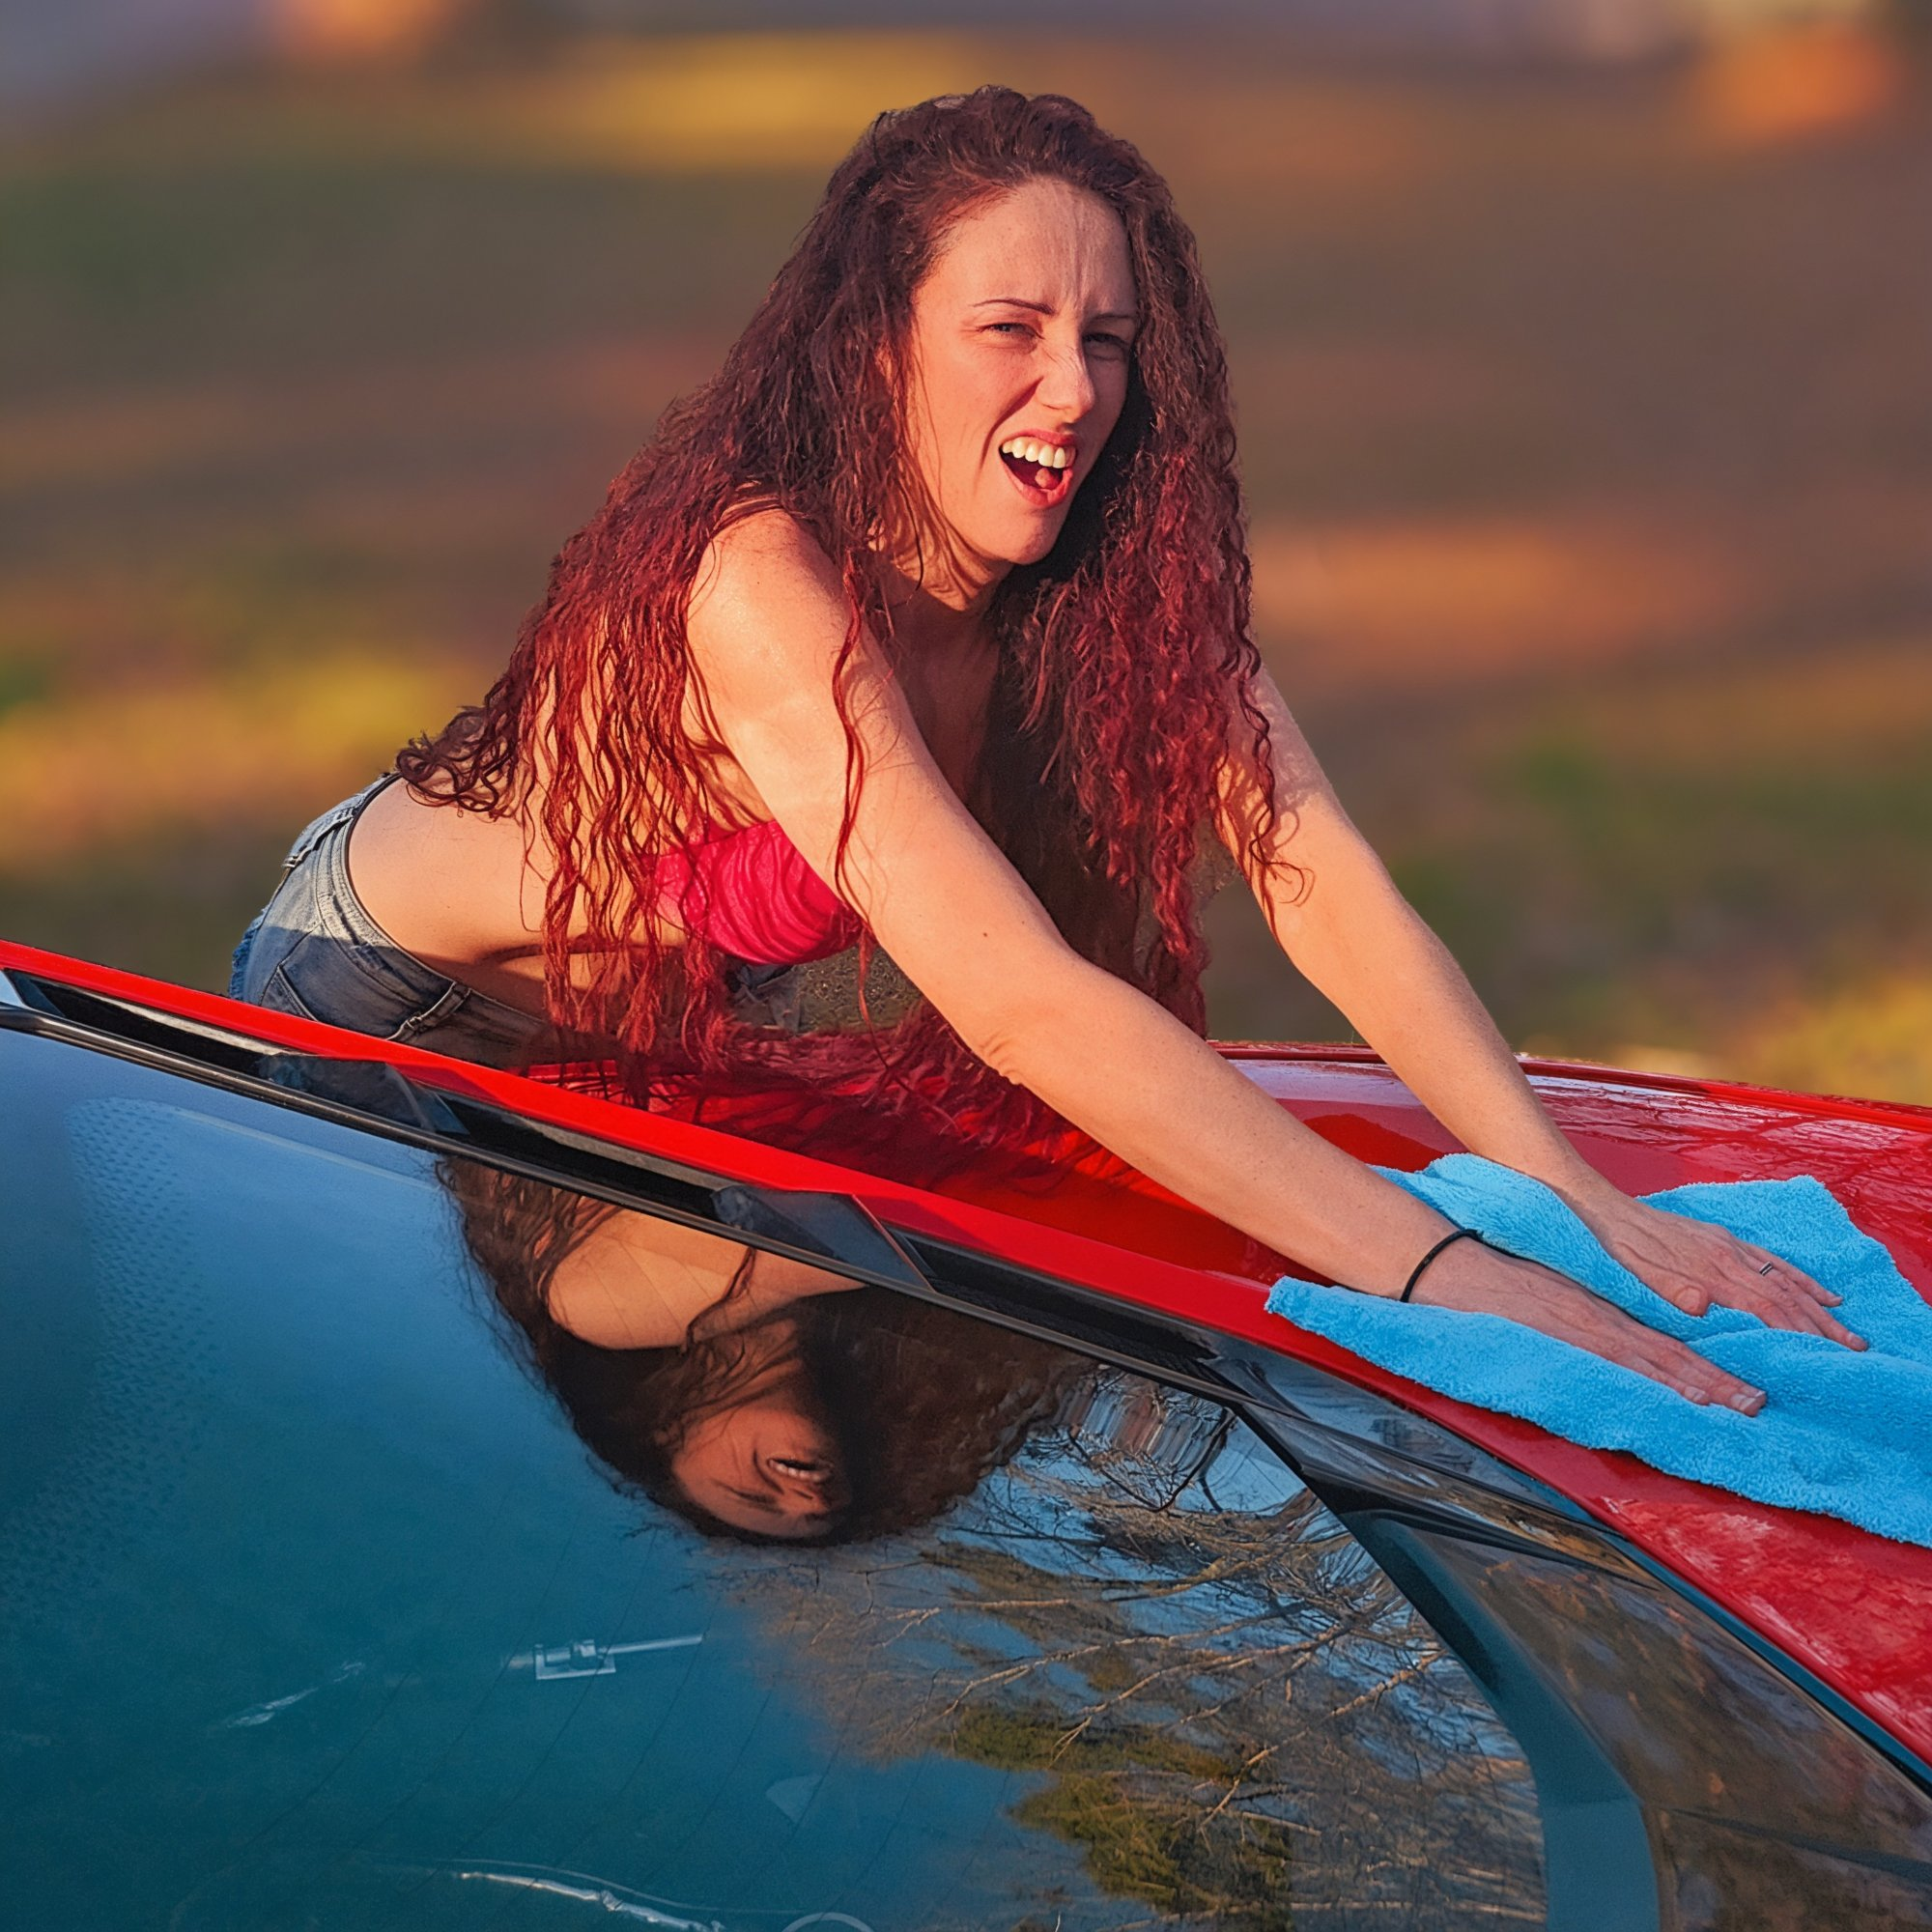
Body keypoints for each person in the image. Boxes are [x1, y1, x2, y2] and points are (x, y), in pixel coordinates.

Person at [229, 86, 1861, 1408]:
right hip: (373, 1008)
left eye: (1106, 337)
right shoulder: (762, 583)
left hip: (638, 1069)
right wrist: (1452, 1276)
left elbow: (1320, 878)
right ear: (879, 347)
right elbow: (1017, 1001)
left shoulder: (1097, 574)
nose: (1071, 387)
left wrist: (1572, 1196)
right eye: (1009, 327)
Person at [448, 1163, 1074, 1543]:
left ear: (664, 1429)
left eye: (754, 1495)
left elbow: (871, 1217)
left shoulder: (596, 1305)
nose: (814, 1499)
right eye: (834, 1506)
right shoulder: (850, 1325)